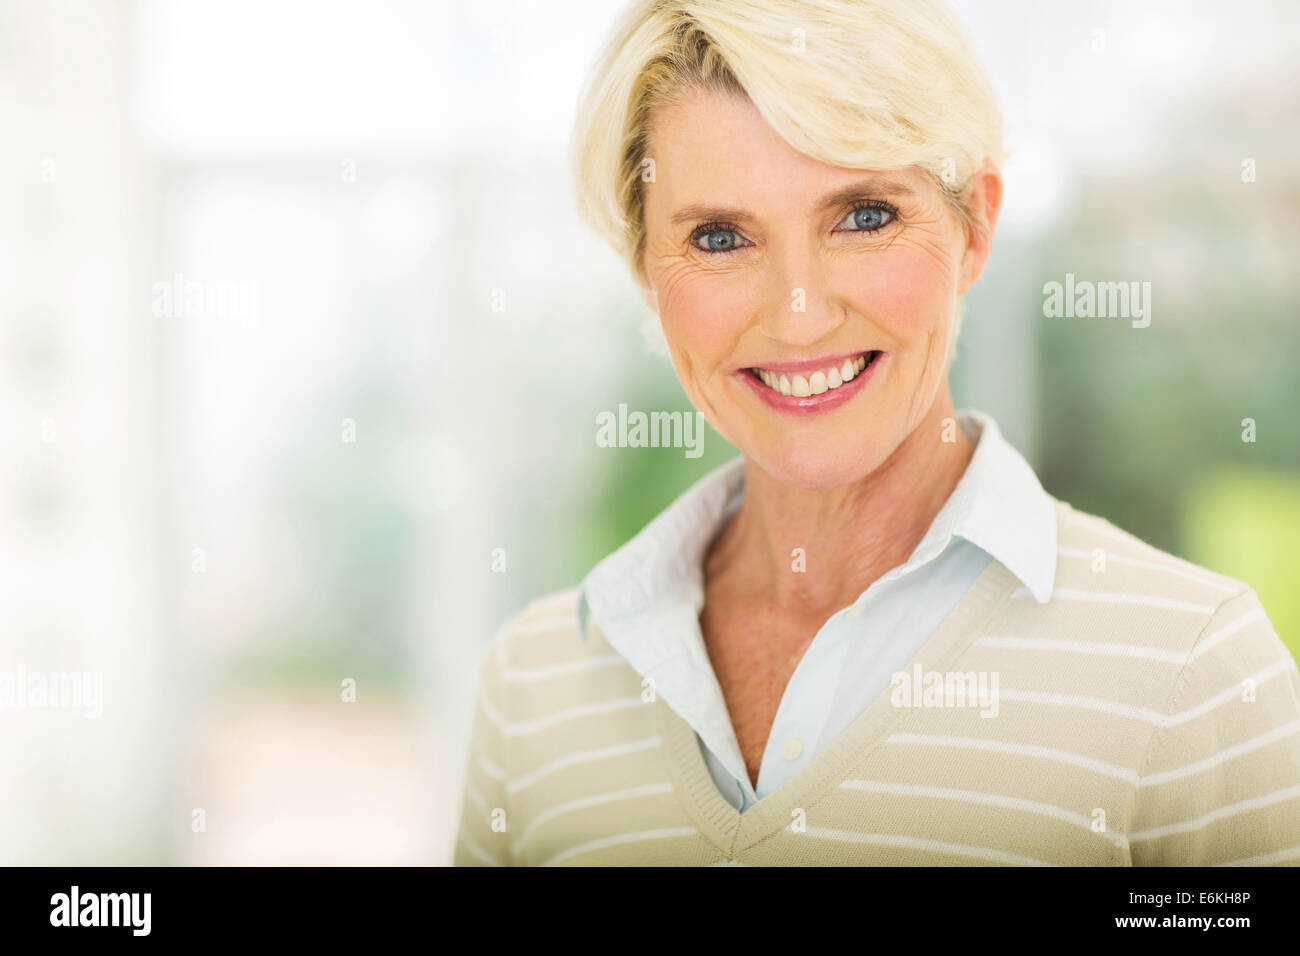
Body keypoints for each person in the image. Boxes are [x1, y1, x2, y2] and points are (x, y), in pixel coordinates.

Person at [453, 0, 1300, 866]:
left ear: (974, 226)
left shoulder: (1194, 677)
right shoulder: (535, 686)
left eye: (862, 217)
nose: (799, 317)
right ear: (644, 269)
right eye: (719, 237)